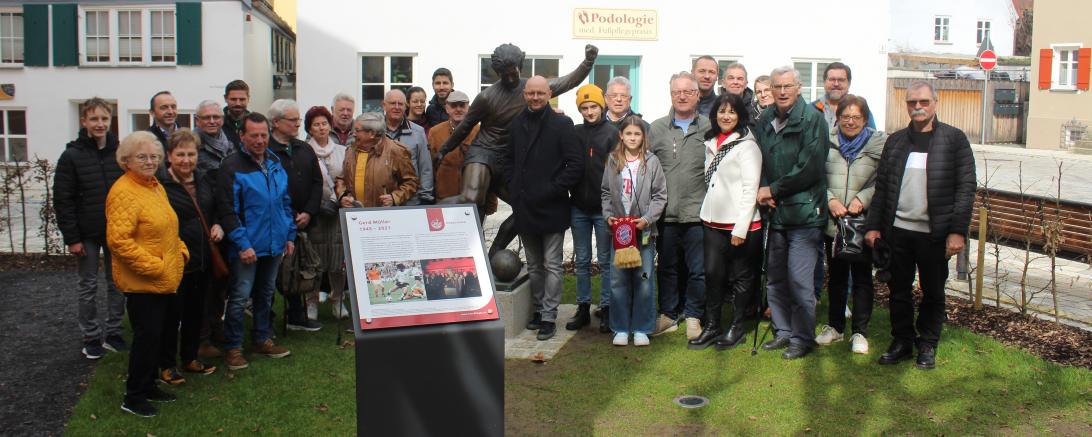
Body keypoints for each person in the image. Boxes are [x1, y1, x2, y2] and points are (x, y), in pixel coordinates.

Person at [436, 43, 597, 257]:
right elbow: (465, 126)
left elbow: (569, 80)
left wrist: (588, 61)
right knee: (471, 197)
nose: (510, 78)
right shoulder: (487, 97)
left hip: (509, 158)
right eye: (504, 74)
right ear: (497, 72)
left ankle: (493, 255)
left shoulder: (532, 90)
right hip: (483, 152)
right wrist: (443, 149)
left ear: (520, 66)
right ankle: (431, 209)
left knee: (524, 207)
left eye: (513, 73)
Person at [866, 81, 976, 370]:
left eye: (924, 102)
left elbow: (966, 189)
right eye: (912, 102)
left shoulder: (954, 140)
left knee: (933, 292)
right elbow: (883, 188)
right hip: (898, 231)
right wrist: (873, 227)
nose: (918, 107)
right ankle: (902, 340)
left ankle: (927, 344)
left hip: (935, 234)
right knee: (898, 291)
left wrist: (957, 231)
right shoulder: (897, 141)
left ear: (935, 104)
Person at [106, 131, 189, 417]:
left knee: (161, 336)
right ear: (125, 160)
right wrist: (155, 266)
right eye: (142, 157)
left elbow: (168, 227)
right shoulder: (123, 191)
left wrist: (180, 252)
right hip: (144, 282)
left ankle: (149, 385)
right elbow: (119, 241)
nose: (149, 161)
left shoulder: (154, 186)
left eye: (154, 156)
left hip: (166, 277)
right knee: (146, 338)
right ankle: (133, 397)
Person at [754, 66, 829, 360]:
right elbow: (756, 157)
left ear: (799, 88)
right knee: (775, 277)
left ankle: (802, 336)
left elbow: (809, 167)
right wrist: (762, 187)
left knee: (799, 279)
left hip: (805, 214)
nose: (782, 92)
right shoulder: (765, 118)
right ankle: (783, 331)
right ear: (770, 90)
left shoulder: (813, 119)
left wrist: (773, 190)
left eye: (788, 86)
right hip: (776, 214)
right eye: (777, 87)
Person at [217, 112, 296, 371]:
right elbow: (228, 211)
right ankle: (233, 347)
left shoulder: (274, 162)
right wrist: (242, 244)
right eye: (254, 136)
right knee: (240, 297)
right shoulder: (232, 166)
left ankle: (262, 338)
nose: (260, 140)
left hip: (274, 244)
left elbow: (285, 203)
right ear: (242, 136)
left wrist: (289, 235)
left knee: (266, 294)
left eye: (264, 135)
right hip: (247, 247)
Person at [507, 76, 584, 341]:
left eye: (541, 93)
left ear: (549, 93)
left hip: (552, 205)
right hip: (525, 205)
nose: (536, 97)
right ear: (524, 95)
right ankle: (539, 310)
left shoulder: (563, 124)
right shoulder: (516, 123)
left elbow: (575, 165)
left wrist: (552, 189)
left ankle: (549, 317)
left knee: (552, 264)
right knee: (535, 265)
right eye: (531, 93)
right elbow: (508, 160)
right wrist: (514, 188)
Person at [688, 93, 763, 350]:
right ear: (715, 114)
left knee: (741, 277)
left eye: (732, 111)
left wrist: (740, 228)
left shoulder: (747, 145)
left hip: (741, 225)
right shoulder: (710, 141)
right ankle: (712, 326)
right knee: (713, 274)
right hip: (713, 221)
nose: (726, 116)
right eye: (722, 111)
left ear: (740, 115)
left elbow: (750, 189)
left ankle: (737, 327)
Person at [54, 98, 127, 360]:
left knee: (117, 282)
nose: (100, 124)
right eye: (94, 119)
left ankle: (114, 331)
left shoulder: (119, 153)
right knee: (88, 284)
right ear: (84, 121)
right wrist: (72, 237)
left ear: (110, 121)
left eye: (104, 119)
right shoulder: (72, 156)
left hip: (116, 230)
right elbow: (63, 199)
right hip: (86, 232)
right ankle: (91, 335)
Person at [816, 95, 886, 355]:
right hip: (834, 223)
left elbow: (884, 180)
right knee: (835, 277)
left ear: (865, 119)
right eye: (845, 116)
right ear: (838, 118)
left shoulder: (878, 143)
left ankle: (859, 331)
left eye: (856, 117)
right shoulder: (827, 142)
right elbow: (816, 177)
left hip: (862, 222)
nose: (850, 121)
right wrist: (830, 200)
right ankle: (834, 326)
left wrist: (863, 199)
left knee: (861, 279)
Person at [649, 72, 711, 340]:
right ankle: (669, 315)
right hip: (666, 214)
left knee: (698, 270)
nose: (682, 96)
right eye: (677, 92)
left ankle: (695, 315)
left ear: (698, 95)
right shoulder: (656, 128)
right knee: (667, 267)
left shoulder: (710, 127)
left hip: (699, 214)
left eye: (688, 91)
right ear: (671, 94)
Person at [158, 129, 220, 383]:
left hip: (202, 258)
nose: (186, 160)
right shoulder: (162, 185)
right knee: (172, 316)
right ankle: (166, 364)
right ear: (169, 156)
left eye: (191, 154)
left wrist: (218, 225)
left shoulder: (203, 179)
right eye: (180, 154)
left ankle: (191, 357)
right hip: (175, 260)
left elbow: (213, 208)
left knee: (197, 311)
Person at [601, 116, 666, 347]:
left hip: (643, 231)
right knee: (619, 279)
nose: (632, 138)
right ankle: (620, 327)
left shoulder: (652, 162)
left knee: (644, 279)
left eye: (637, 134)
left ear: (643, 137)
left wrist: (647, 219)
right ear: (621, 135)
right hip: (619, 232)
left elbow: (660, 195)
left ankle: (642, 327)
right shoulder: (613, 160)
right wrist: (608, 215)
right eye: (628, 133)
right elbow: (606, 192)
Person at [268, 99, 324, 332]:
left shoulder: (304, 148)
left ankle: (297, 315)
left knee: (301, 267)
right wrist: (290, 215)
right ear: (276, 122)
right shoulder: (268, 151)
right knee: (275, 271)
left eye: (298, 119)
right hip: (278, 221)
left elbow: (316, 182)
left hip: (306, 220)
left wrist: (309, 212)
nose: (297, 124)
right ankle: (267, 320)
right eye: (293, 120)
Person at [567, 84, 618, 333]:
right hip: (578, 206)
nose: (589, 112)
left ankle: (606, 308)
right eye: (585, 108)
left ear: (602, 106)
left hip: (603, 208)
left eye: (593, 107)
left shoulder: (612, 133)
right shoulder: (574, 133)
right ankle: (583, 307)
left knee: (606, 260)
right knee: (583, 260)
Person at [304, 105, 349, 319]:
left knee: (338, 260)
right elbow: (302, 183)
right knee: (315, 260)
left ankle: (338, 300)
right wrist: (317, 204)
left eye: (324, 123)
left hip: (337, 211)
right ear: (309, 129)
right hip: (315, 213)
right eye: (316, 124)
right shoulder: (304, 151)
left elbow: (346, 179)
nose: (321, 128)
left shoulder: (342, 150)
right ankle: (311, 301)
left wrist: (335, 200)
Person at [426, 91, 497, 214]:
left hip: (475, 200)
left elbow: (490, 168)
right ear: (447, 108)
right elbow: (431, 168)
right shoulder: (435, 132)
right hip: (445, 199)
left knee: (475, 233)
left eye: (462, 105)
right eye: (454, 106)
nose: (458, 109)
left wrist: (491, 202)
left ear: (469, 108)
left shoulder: (480, 131)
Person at [336, 112, 419, 208]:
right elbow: (341, 179)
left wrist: (394, 197)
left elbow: (411, 182)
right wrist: (343, 196)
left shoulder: (396, 151)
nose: (353, 134)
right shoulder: (350, 150)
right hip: (355, 217)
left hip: (384, 218)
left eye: (357, 130)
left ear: (372, 134)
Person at [383, 89, 434, 205]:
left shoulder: (418, 132)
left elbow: (425, 167)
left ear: (405, 106)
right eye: (392, 103)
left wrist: (425, 197)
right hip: (381, 200)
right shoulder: (374, 132)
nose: (396, 107)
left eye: (400, 104)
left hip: (411, 201)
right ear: (384, 105)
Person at [812, 62, 876, 131]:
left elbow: (872, 138)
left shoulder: (861, 109)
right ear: (824, 82)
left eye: (841, 80)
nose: (836, 84)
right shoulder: (811, 109)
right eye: (832, 79)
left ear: (849, 83)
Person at [195, 100, 240, 179]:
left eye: (216, 117)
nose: (212, 121)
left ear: (222, 119)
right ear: (197, 120)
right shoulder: (191, 144)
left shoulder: (231, 141)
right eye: (206, 117)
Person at [223, 80, 251, 147]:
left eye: (242, 99)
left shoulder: (256, 123)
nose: (238, 103)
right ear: (225, 98)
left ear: (248, 99)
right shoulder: (216, 123)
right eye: (233, 99)